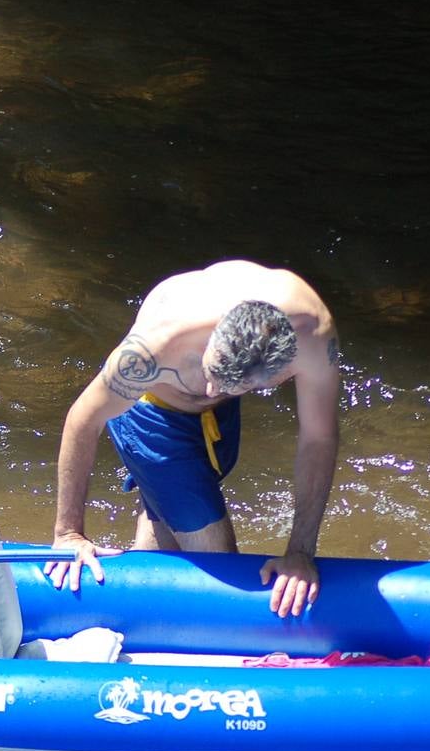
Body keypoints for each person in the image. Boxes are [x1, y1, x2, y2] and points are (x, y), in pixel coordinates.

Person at [46, 260, 340, 618]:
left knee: (168, 525)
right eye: (210, 371)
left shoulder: (313, 335)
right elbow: (82, 419)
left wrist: (300, 552)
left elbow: (318, 437)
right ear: (217, 332)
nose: (212, 387)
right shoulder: (154, 348)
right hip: (152, 414)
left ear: (278, 374)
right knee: (219, 561)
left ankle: (134, 620)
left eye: (230, 385)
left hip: (218, 418)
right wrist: (69, 534)